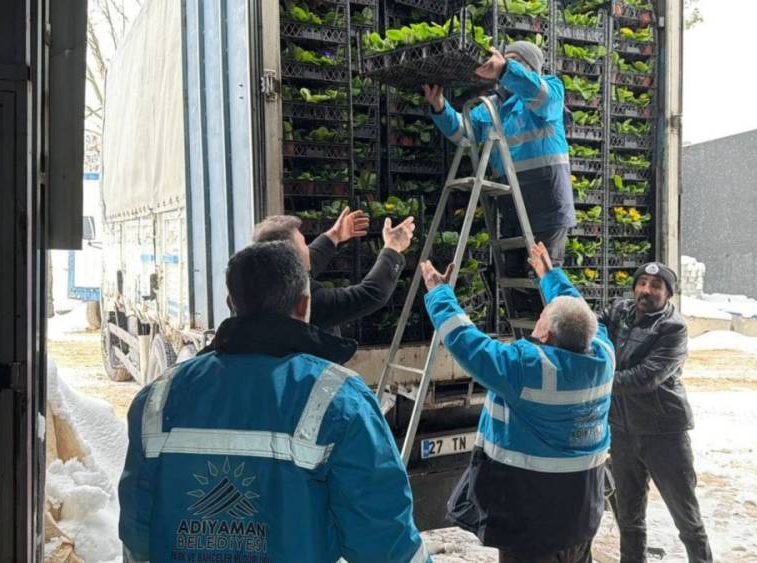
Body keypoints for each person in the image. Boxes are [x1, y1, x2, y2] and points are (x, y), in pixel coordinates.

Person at [118, 241, 429, 562]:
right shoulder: (339, 400)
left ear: (230, 303)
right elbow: (385, 543)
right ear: (303, 305)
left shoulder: (157, 398)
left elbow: (137, 534)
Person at [419, 242, 615, 563]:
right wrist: (550, 276)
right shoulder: (603, 353)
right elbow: (578, 310)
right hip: (581, 512)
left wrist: (439, 292)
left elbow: (467, 343)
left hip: (531, 519)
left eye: (542, 317)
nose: (538, 320)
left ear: (547, 335)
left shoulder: (528, 370)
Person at [423, 41, 576, 317]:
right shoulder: (493, 107)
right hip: (512, 204)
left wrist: (506, 68)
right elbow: (464, 135)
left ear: (530, 69)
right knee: (515, 278)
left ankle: (556, 345)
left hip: (547, 204)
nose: (506, 64)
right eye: (506, 59)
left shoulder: (549, 89)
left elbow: (539, 95)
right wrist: (439, 106)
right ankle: (529, 343)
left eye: (516, 61)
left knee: (545, 277)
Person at [598, 261, 713, 562]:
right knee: (629, 518)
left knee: (686, 517)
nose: (646, 291)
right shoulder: (619, 311)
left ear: (668, 294)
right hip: (622, 430)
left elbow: (645, 377)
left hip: (664, 432)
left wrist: (595, 379)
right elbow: (592, 324)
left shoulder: (672, 328)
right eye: (642, 283)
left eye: (656, 286)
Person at [251, 209, 415, 330]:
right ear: (292, 256)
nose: (308, 248)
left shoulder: (270, 280)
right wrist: (393, 247)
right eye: (303, 243)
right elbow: (370, 294)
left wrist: (335, 235)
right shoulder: (307, 302)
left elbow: (311, 259)